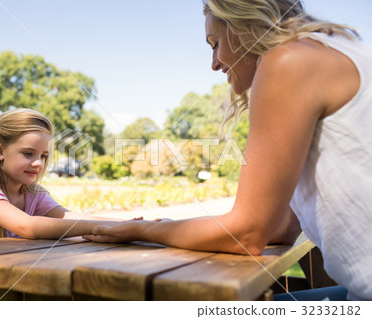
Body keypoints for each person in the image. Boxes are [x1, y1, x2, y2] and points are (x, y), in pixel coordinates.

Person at [84, 0, 372, 301]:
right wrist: (187, 229)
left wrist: (143, 232)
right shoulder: (334, 51)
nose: (214, 63)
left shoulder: (289, 60)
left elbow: (248, 234)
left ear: (244, 24)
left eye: (215, 43)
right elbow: (284, 227)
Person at [0, 108, 123, 300]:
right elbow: (27, 226)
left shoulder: (32, 193)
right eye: (28, 153)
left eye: (43, 156)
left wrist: (126, 224)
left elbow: (71, 218)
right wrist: (108, 228)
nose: (39, 163)